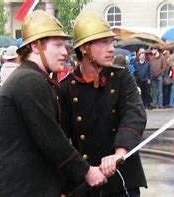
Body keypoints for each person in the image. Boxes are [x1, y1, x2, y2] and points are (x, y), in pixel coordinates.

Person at [0, 10, 107, 196]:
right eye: (57, 45)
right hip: (16, 190)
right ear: (35, 46)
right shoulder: (29, 81)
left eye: (65, 46)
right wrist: (87, 171)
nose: (65, 52)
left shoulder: (34, 78)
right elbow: (51, 138)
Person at [58, 12, 147, 196]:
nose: (112, 48)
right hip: (86, 180)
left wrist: (119, 154)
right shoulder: (65, 87)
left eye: (112, 42)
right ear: (85, 48)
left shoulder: (122, 77)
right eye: (104, 42)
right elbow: (58, 138)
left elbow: (134, 114)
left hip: (122, 179)